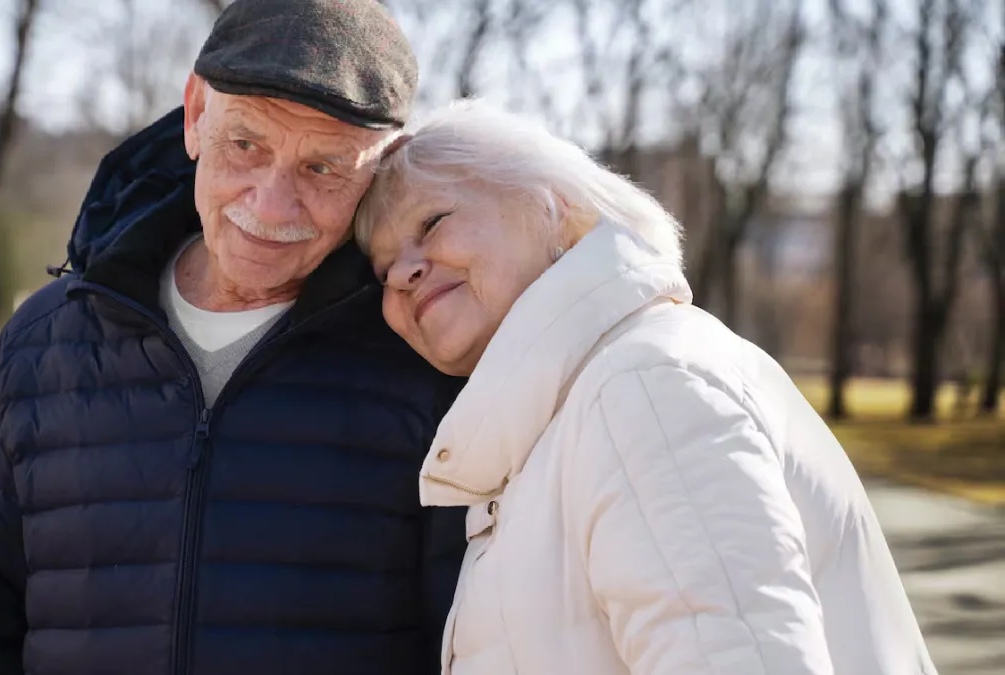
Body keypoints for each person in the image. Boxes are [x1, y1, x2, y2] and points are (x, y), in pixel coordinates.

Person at [0, 1, 468, 673]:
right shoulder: (43, 343)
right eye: (246, 144)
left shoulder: (428, 365)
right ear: (196, 114)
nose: (270, 205)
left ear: (383, 166)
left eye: (322, 168)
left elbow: (470, 645)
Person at [354, 100, 936, 675]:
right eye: (384, 270)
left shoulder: (643, 388)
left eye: (432, 224)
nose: (404, 273)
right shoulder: (557, 419)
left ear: (555, 208)